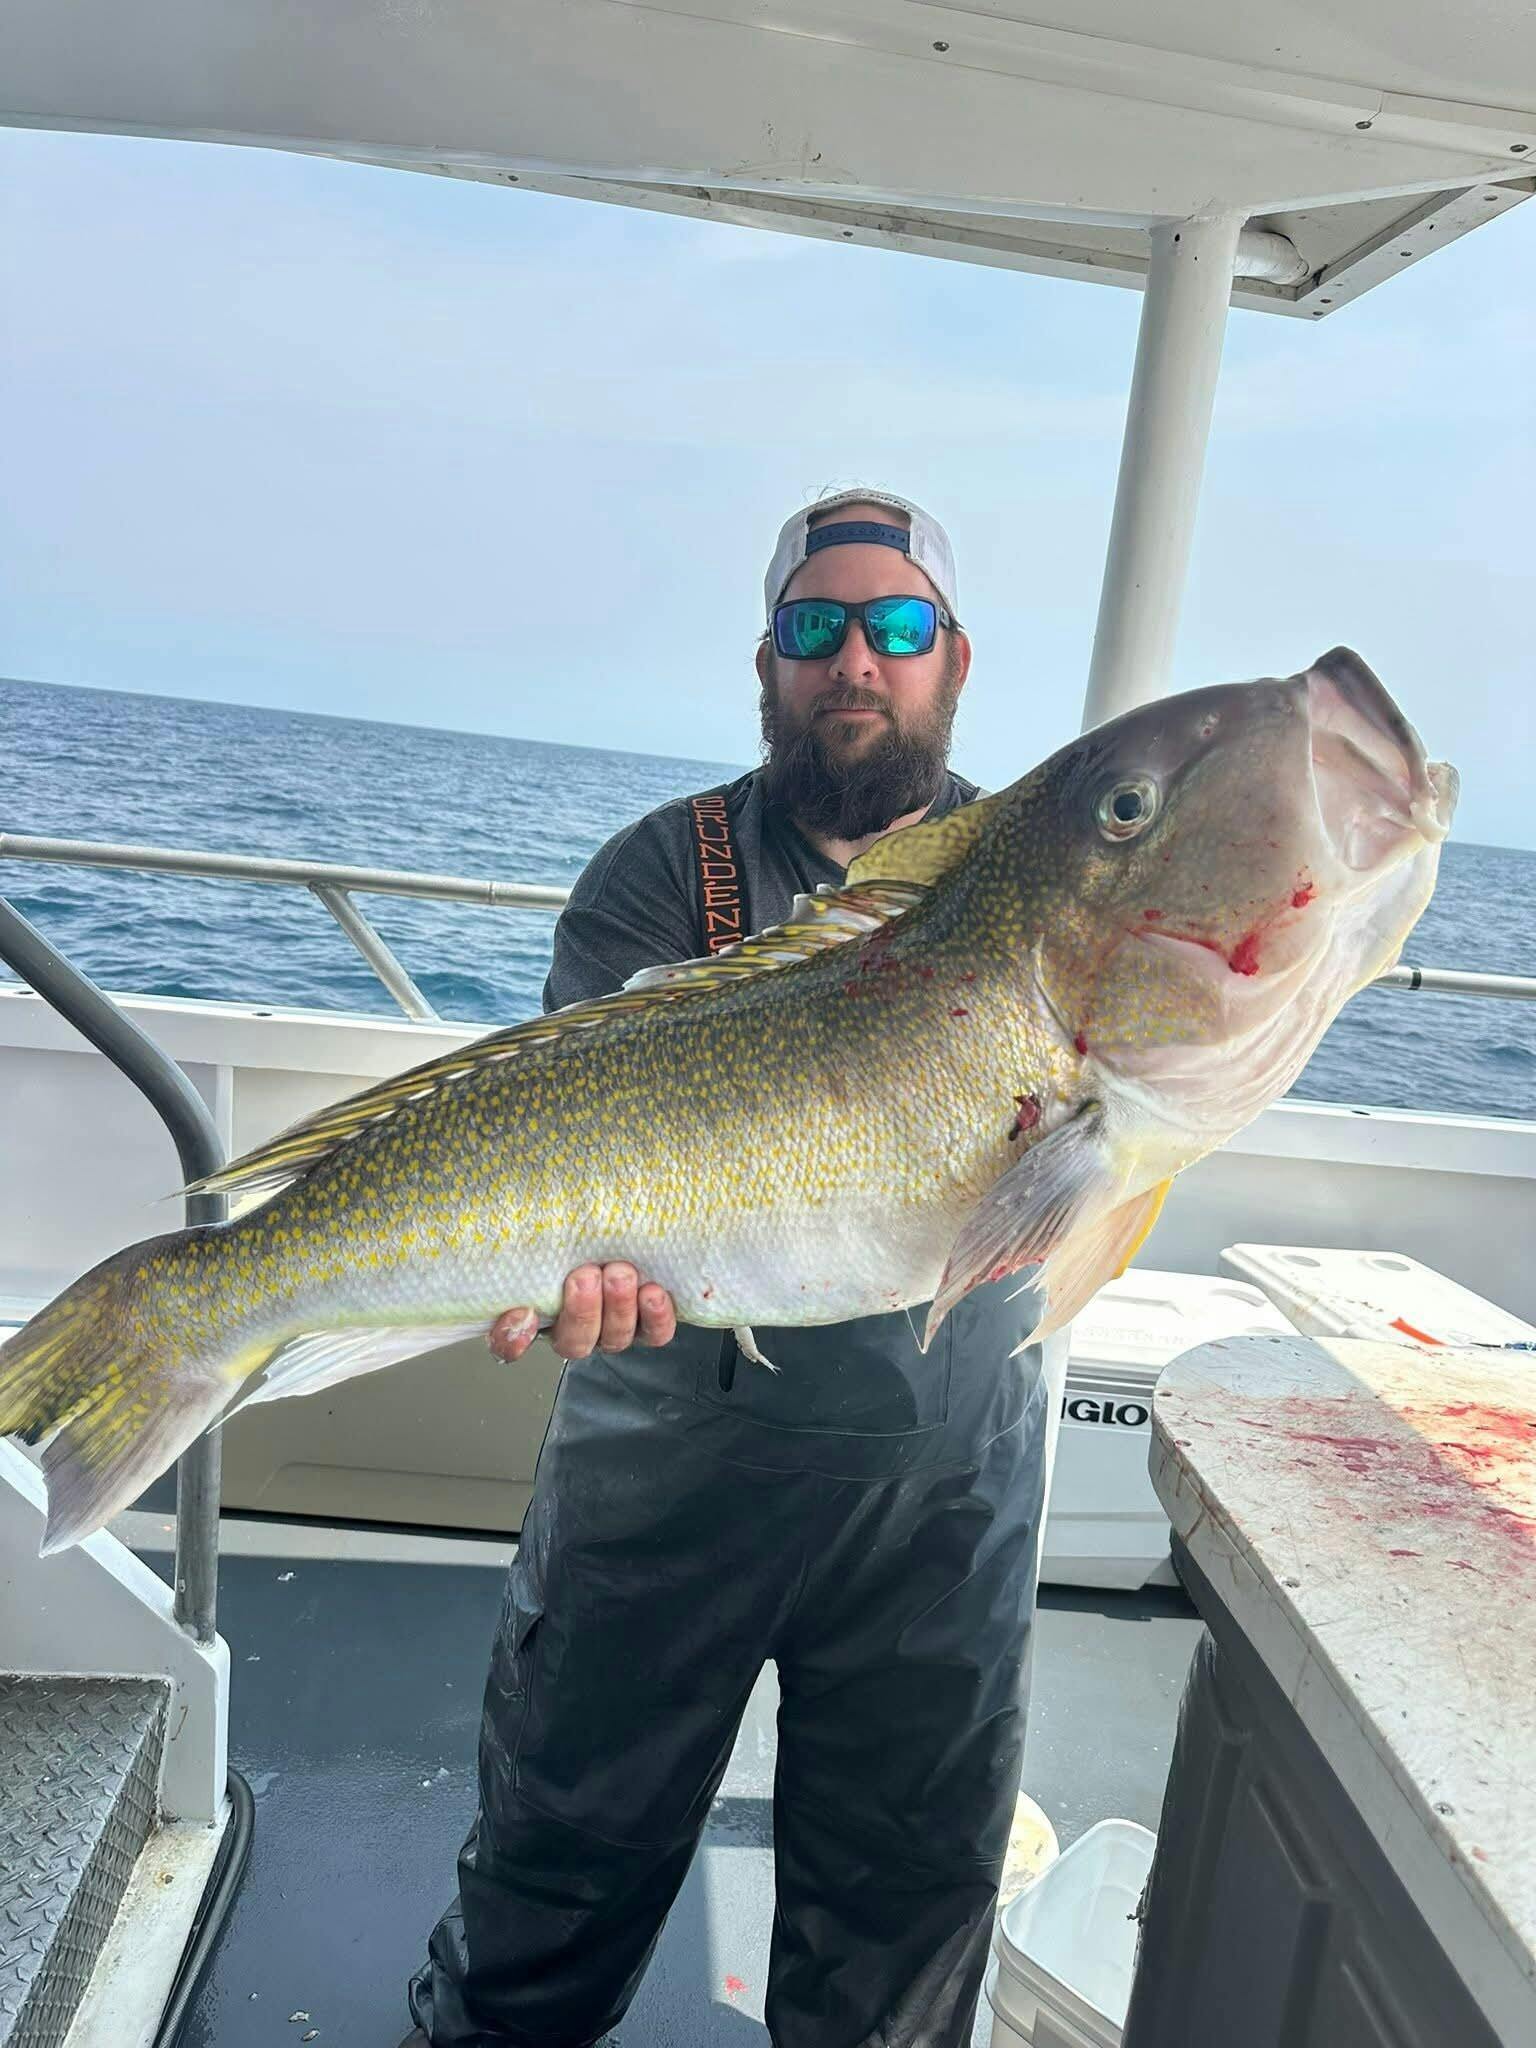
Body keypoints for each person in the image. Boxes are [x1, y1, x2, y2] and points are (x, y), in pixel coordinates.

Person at [402, 489, 1048, 2048]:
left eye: (896, 626)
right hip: (665, 1486)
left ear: (954, 658)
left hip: (946, 1498)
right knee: (554, 1879)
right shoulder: (656, 872)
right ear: (767, 663)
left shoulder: (1031, 882)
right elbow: (573, 1146)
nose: (855, 661)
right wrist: (580, 1272)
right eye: (814, 626)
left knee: (903, 1916)